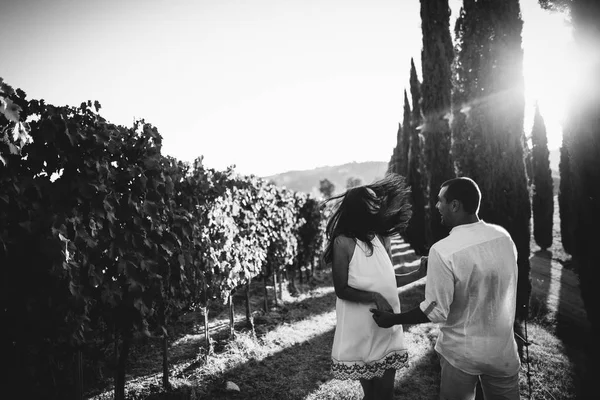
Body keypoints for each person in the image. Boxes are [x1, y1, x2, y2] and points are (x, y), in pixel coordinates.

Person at [370, 177, 521, 400]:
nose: (436, 206)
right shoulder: (504, 237)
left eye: (440, 200)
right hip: (503, 352)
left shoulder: (443, 250)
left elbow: (435, 311)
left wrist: (392, 319)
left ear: (455, 205)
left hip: (461, 353)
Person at [324, 173, 428, 400]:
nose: (377, 206)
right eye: (371, 203)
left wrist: (418, 274)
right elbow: (341, 289)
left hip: (386, 320)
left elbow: (389, 279)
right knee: (371, 393)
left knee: (386, 393)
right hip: (361, 323)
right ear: (359, 209)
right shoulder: (343, 242)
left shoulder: (382, 238)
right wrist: (375, 296)